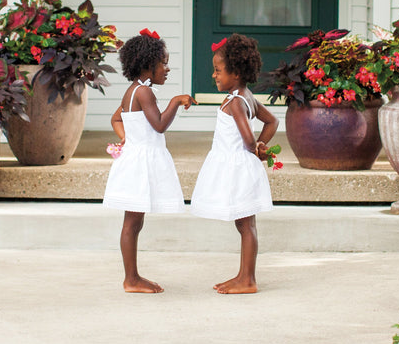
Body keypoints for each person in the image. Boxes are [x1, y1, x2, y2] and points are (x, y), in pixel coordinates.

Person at [103, 28, 197, 293]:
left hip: (136, 159)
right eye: (163, 63)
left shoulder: (132, 91)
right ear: (147, 65)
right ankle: (131, 279)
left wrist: (127, 138)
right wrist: (176, 102)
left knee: (135, 221)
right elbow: (158, 125)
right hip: (139, 165)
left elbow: (117, 119)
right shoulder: (144, 93)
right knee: (132, 223)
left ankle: (132, 276)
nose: (167, 69)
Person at [190, 34, 279, 294]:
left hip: (237, 168)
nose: (214, 76)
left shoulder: (236, 102)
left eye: (218, 71)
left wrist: (257, 146)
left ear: (236, 72)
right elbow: (272, 121)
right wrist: (260, 145)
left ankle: (248, 280)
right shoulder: (245, 95)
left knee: (246, 225)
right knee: (244, 224)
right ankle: (243, 275)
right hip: (241, 165)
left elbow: (248, 138)